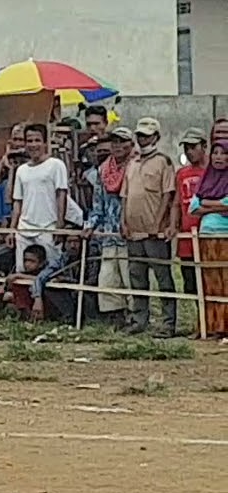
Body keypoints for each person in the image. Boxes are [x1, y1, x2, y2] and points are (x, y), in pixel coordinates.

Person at [121, 117, 177, 337]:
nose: (143, 139)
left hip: (155, 232)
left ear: (156, 137)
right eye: (140, 135)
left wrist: (158, 222)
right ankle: (139, 319)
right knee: (137, 277)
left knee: (163, 277)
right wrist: (123, 221)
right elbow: (125, 194)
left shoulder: (164, 161)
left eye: (147, 135)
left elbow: (167, 194)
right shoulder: (132, 163)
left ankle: (168, 323)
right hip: (133, 231)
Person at [86, 127, 133, 326]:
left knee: (130, 277)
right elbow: (98, 204)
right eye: (114, 142)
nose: (118, 146)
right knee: (108, 278)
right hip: (108, 233)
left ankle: (136, 317)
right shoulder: (102, 171)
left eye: (122, 142)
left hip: (130, 232)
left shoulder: (136, 167)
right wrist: (90, 226)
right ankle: (115, 318)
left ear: (131, 144)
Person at [11, 124, 67, 271]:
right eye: (29, 141)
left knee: (51, 270)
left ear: (44, 142)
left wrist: (60, 225)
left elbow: (61, 195)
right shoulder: (21, 171)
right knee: (22, 272)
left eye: (37, 140)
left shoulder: (56, 165)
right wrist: (12, 229)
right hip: (24, 229)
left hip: (48, 228)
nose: (33, 145)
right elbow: (17, 202)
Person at [189, 137, 228, 338]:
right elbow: (193, 207)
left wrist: (208, 204)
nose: (219, 157)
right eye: (215, 153)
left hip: (225, 236)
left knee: (226, 282)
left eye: (223, 153)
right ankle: (211, 326)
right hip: (206, 236)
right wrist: (218, 204)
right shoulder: (207, 178)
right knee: (208, 282)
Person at [175, 128, 208, 316]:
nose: (189, 151)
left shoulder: (214, 172)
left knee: (210, 279)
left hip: (207, 234)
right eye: (186, 147)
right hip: (187, 235)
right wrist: (173, 225)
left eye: (193, 147)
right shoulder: (182, 174)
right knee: (191, 283)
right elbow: (176, 203)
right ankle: (199, 319)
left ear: (204, 147)